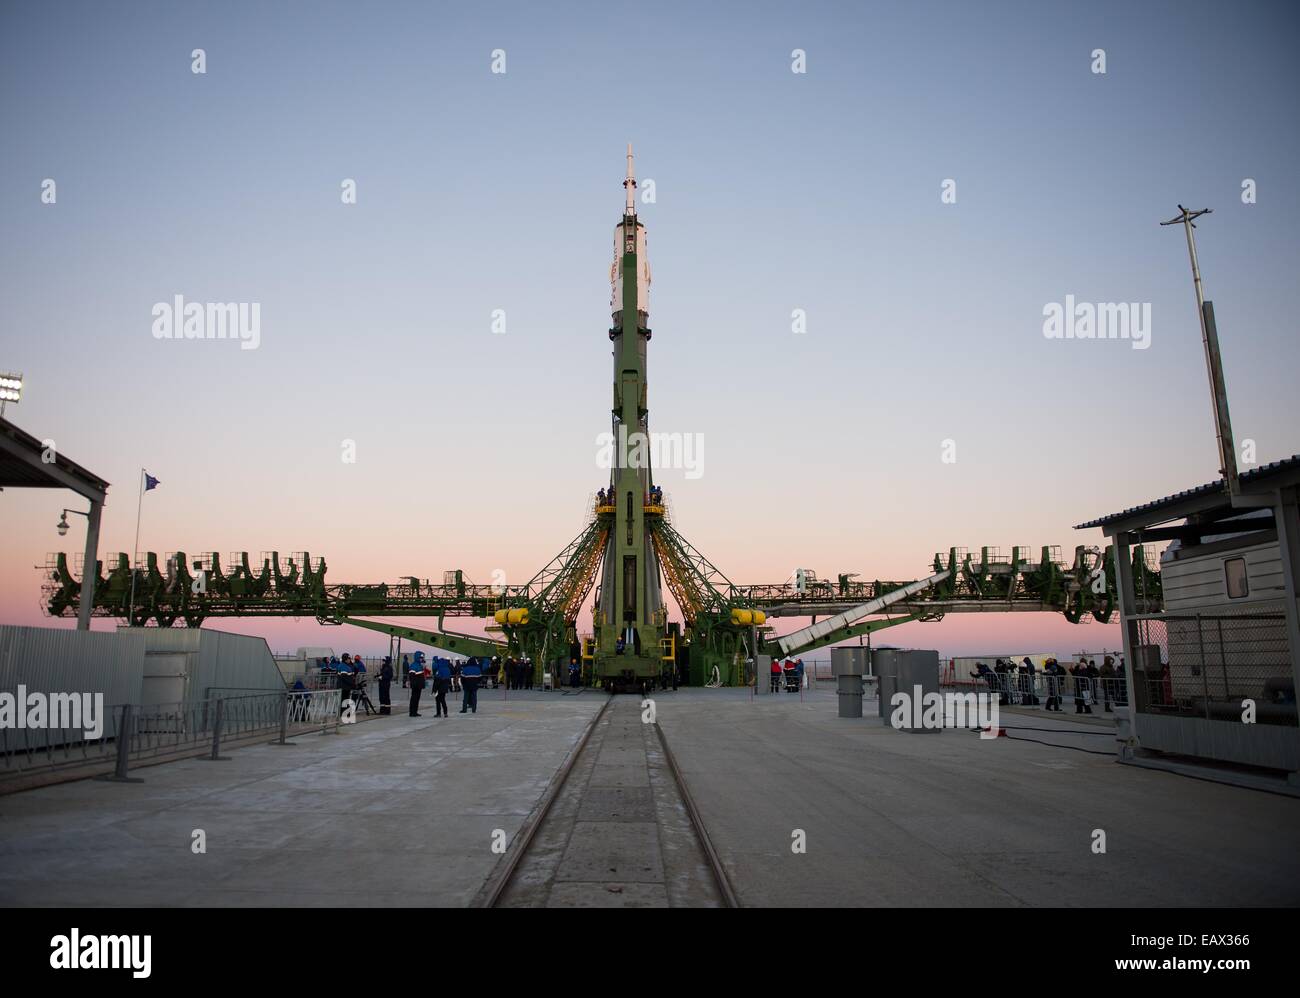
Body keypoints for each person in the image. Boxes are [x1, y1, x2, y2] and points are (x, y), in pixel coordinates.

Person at [407, 652, 426, 717]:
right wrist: (414, 684)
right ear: (417, 658)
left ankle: (415, 712)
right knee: (414, 699)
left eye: (422, 658)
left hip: (419, 686)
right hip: (415, 686)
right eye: (421, 658)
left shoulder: (420, 665)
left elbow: (421, 676)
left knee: (417, 699)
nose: (422, 659)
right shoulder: (414, 665)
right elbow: (412, 676)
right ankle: (412, 712)